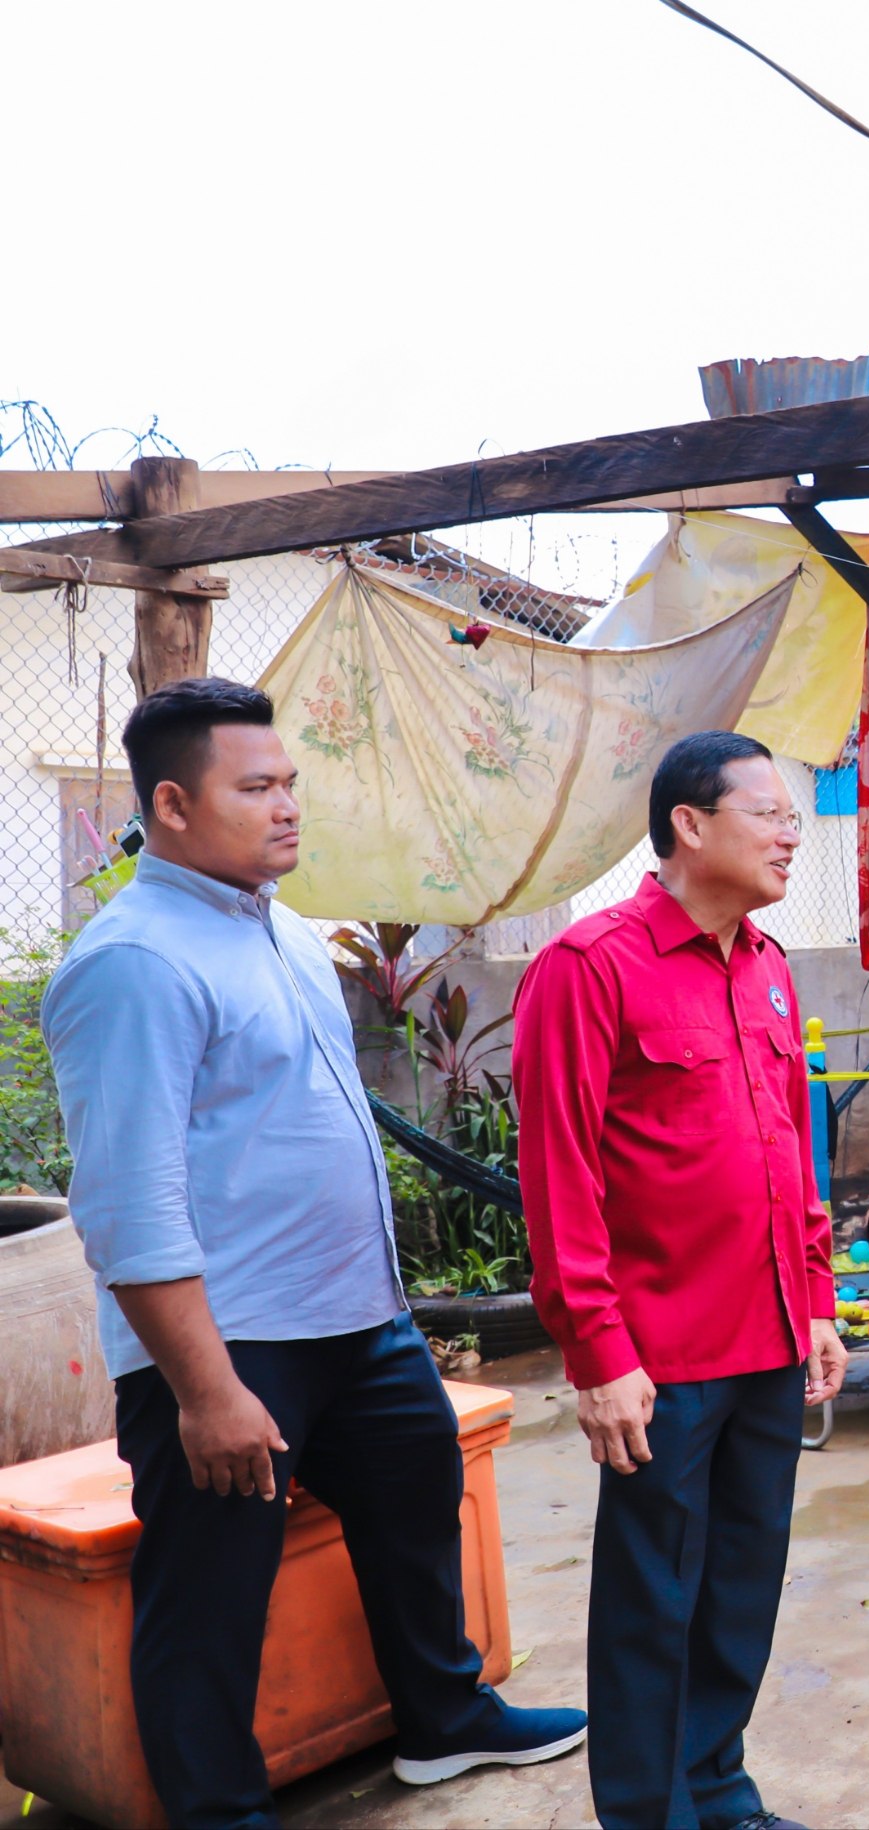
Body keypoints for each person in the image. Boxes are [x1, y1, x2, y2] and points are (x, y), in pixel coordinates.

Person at [42, 678, 586, 1829]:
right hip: (229, 1342)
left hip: (354, 1319)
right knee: (209, 1594)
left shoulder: (283, 930)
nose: (288, 805)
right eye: (258, 787)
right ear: (173, 805)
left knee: (416, 1489)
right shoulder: (133, 962)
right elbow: (128, 1204)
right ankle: (220, 1812)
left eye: (290, 782)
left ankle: (443, 1719)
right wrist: (206, 1392)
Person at [515, 731, 848, 1830]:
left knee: (742, 1586)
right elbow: (560, 1177)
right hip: (661, 1357)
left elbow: (790, 1155)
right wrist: (597, 1354)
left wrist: (816, 1303)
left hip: (771, 1338)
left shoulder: (767, 967)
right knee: (652, 1602)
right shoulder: (590, 967)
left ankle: (718, 1792)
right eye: (768, 813)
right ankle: (649, 1813)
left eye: (792, 815)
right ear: (689, 825)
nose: (790, 835)